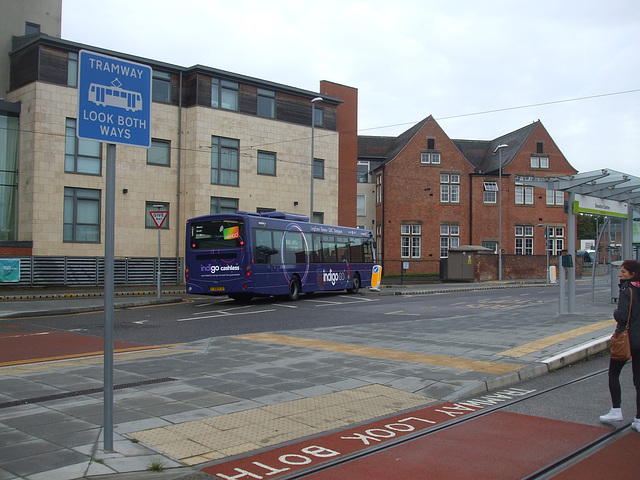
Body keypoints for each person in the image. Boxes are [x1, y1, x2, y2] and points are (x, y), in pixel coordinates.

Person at [599, 259, 640, 431]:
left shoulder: (626, 290)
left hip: (628, 339)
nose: (620, 274)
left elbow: (622, 316)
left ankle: (616, 410)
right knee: (638, 380)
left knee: (613, 373)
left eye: (623, 272)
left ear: (632, 274)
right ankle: (639, 419)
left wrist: (615, 312)